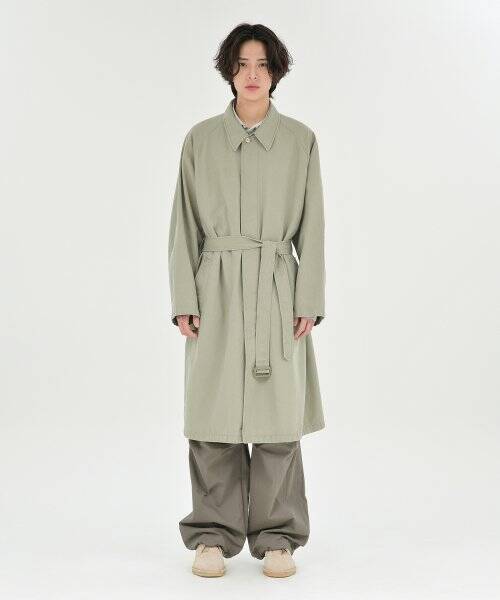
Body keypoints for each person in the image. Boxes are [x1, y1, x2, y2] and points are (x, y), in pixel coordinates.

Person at [168, 22, 326, 578]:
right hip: (215, 288)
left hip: (277, 289)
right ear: (229, 72)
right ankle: (212, 535)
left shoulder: (301, 140)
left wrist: (308, 298)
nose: (252, 74)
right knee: (212, 413)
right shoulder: (200, 140)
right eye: (241, 64)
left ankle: (278, 537)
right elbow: (184, 224)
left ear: (275, 71)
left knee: (279, 417)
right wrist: (184, 296)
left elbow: (313, 226)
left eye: (261, 64)